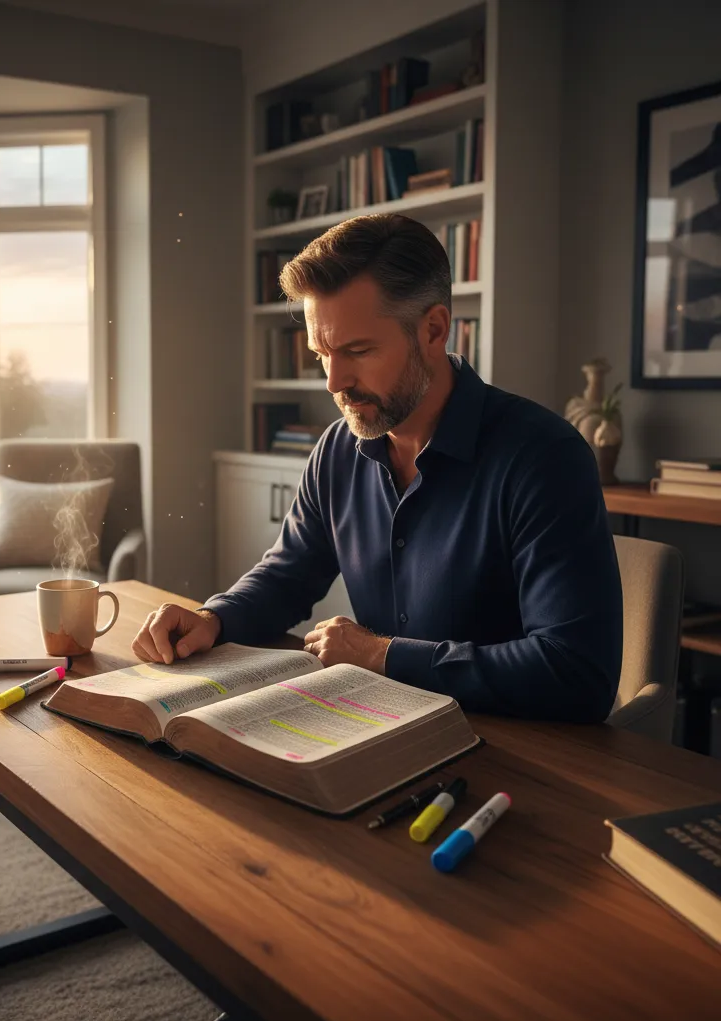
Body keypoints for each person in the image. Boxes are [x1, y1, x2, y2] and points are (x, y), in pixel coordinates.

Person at [132, 213, 623, 725]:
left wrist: (380, 655)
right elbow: (288, 575)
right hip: (380, 728)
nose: (334, 382)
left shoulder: (544, 457)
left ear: (433, 330)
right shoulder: (338, 450)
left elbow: (577, 672)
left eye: (358, 351)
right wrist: (213, 618)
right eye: (322, 353)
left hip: (520, 753)